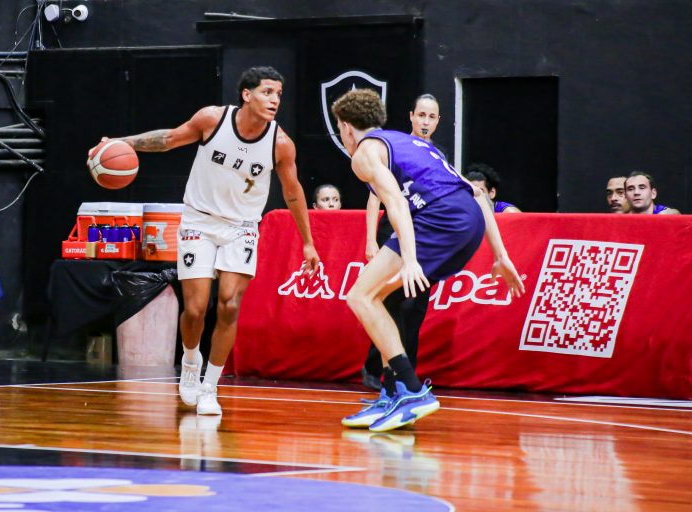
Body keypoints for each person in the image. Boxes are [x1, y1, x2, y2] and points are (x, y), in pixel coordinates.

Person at [95, 66, 320, 417]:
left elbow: (293, 192)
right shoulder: (213, 120)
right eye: (267, 92)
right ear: (246, 94)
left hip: (242, 227)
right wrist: (121, 143)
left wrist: (308, 242)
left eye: (278, 94)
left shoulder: (281, 144)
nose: (274, 100)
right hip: (199, 221)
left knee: (229, 304)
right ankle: (190, 360)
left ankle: (210, 387)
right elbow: (168, 139)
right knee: (197, 309)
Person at [331, 89, 524, 432]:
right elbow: (478, 195)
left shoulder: (364, 152)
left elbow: (396, 203)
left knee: (360, 296)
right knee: (383, 297)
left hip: (440, 220)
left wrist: (409, 260)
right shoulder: (413, 145)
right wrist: (501, 255)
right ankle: (391, 393)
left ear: (346, 127)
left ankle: (411, 391)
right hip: (468, 221)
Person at [361, 94, 440, 392]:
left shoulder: (437, 156)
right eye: (421, 115)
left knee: (415, 307)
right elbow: (375, 197)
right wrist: (371, 240)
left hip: (423, 237)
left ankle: (409, 376)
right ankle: (377, 368)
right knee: (389, 303)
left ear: (438, 121)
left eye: (431, 117)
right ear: (411, 116)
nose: (425, 121)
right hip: (392, 234)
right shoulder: (395, 148)